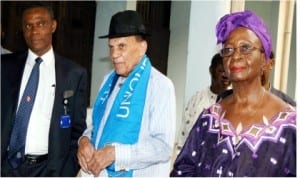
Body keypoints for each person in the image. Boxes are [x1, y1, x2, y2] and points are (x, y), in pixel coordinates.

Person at [171, 10, 296, 177]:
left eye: (245, 48)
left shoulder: (290, 126)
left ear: (265, 59)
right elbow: (183, 170)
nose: (235, 56)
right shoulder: (209, 118)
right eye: (228, 50)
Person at [77, 10, 176, 177]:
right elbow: (96, 127)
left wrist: (116, 154)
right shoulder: (108, 81)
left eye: (122, 46)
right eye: (111, 47)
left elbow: (163, 147)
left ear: (142, 47)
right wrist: (84, 141)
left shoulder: (160, 85)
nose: (114, 55)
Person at [1, 3, 88, 176]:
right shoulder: (5, 66)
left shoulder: (73, 73)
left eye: (41, 24)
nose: (34, 32)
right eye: (28, 26)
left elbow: (77, 129)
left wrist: (67, 170)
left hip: (48, 170)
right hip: (6, 167)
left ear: (53, 26)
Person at [176, 53, 230, 152]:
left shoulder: (236, 102)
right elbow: (183, 137)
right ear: (211, 71)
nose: (225, 75)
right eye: (221, 71)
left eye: (228, 71)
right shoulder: (197, 100)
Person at [217, 51, 296, 106]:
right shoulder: (224, 98)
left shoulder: (287, 104)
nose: (258, 69)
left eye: (262, 62)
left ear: (271, 64)